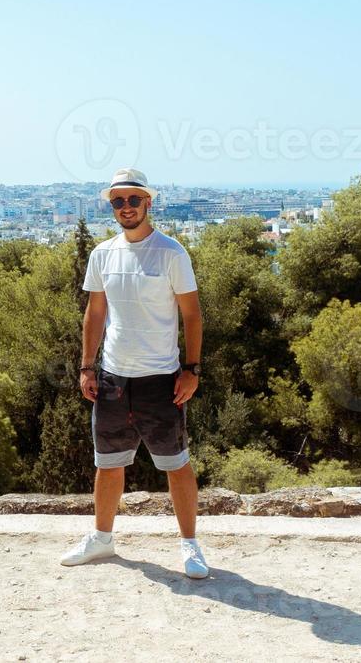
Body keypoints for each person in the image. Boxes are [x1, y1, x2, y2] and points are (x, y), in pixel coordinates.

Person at [59, 167, 209, 579]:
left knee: (176, 464)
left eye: (133, 199)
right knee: (108, 463)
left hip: (160, 379)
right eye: (118, 201)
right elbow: (95, 312)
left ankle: (190, 544)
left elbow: (192, 315)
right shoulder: (103, 254)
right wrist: (87, 366)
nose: (126, 207)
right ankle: (102, 538)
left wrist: (192, 369)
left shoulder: (171, 253)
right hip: (112, 377)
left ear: (148, 202)